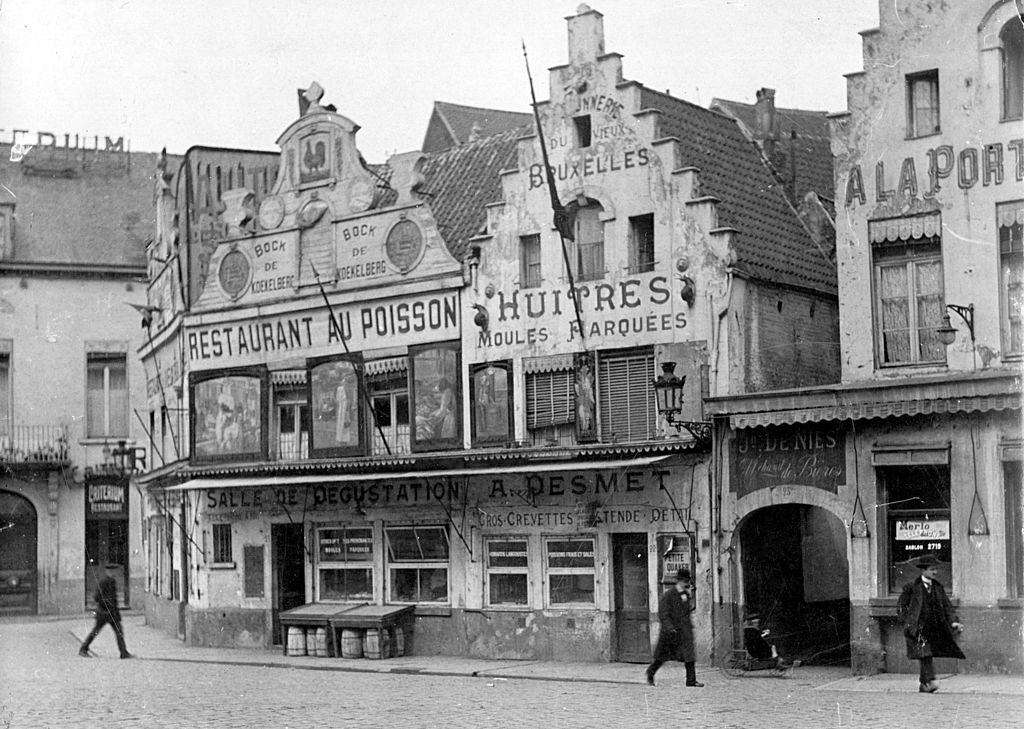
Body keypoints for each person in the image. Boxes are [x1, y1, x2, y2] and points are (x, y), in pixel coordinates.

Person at [897, 553, 964, 693]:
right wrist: (907, 622)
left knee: (926, 654)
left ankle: (924, 684)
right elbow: (901, 607)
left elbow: (947, 607)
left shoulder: (938, 588)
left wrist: (953, 622)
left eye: (936, 569)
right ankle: (930, 680)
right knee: (925, 653)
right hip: (917, 628)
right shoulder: (911, 587)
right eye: (932, 569)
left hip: (934, 627)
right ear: (923, 570)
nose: (935, 572)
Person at [646, 567, 703, 687]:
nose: (687, 584)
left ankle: (691, 681)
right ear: (680, 581)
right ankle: (650, 673)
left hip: (684, 630)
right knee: (662, 656)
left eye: (688, 582)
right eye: (686, 582)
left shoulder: (685, 594)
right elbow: (663, 612)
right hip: (671, 631)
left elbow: (686, 610)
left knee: (689, 655)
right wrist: (669, 627)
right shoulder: (670, 594)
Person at [79, 564, 133, 659]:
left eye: (115, 571)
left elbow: (114, 600)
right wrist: (107, 605)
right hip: (103, 613)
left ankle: (123, 653)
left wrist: (116, 612)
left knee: (119, 632)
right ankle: (83, 648)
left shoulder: (113, 581)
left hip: (112, 613)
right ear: (108, 572)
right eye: (113, 571)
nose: (115, 573)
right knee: (95, 631)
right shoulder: (104, 582)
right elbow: (97, 597)